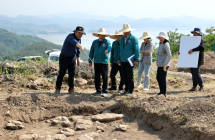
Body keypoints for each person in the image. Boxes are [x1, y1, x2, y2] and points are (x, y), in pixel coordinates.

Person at [55, 26, 85, 94]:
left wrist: (78, 58)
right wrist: (80, 46)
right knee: (61, 73)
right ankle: (57, 88)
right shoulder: (70, 36)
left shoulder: (79, 39)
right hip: (64, 57)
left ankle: (71, 88)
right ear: (75, 32)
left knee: (71, 74)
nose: (80, 35)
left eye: (81, 34)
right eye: (79, 33)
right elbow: (75, 43)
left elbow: (77, 50)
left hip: (72, 58)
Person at [178, 28, 206, 92]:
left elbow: (202, 47)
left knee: (196, 73)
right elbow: (185, 48)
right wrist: (181, 52)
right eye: (193, 33)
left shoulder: (202, 40)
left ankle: (201, 86)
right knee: (193, 73)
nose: (194, 34)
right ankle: (194, 86)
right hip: (191, 59)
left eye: (195, 33)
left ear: (199, 34)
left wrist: (193, 50)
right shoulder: (191, 41)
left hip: (198, 59)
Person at [118, 24, 140, 96]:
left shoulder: (134, 39)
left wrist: (137, 59)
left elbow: (136, 50)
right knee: (124, 76)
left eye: (126, 31)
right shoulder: (122, 39)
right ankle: (126, 89)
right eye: (124, 31)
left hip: (130, 61)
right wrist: (119, 58)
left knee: (130, 76)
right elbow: (120, 49)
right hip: (123, 60)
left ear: (129, 31)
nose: (125, 33)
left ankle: (130, 90)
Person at [88, 28, 112, 97]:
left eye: (103, 35)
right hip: (96, 62)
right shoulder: (94, 42)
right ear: (98, 35)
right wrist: (90, 60)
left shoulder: (107, 42)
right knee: (97, 76)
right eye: (101, 35)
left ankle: (104, 91)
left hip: (104, 62)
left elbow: (110, 47)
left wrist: (107, 50)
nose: (102, 36)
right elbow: (91, 51)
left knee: (104, 77)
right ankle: (98, 90)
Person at [156, 31, 172, 97]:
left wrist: (165, 65)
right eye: (160, 37)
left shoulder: (166, 44)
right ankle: (161, 91)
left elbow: (169, 55)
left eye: (161, 37)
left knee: (162, 78)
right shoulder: (160, 44)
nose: (160, 38)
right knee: (158, 77)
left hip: (164, 64)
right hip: (160, 64)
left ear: (164, 38)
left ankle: (164, 92)